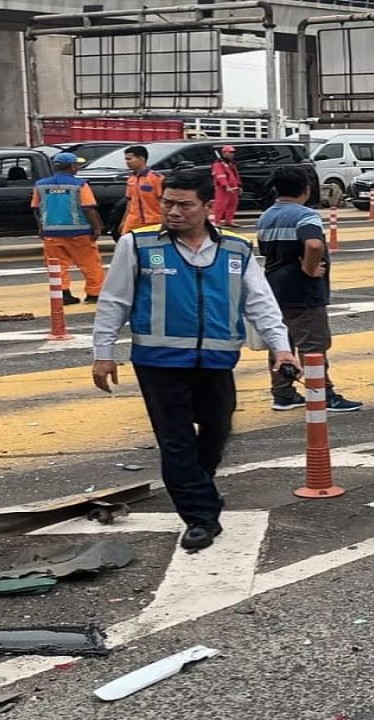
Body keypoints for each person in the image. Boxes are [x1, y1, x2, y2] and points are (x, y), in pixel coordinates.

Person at [91, 170, 298, 551]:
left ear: (207, 206)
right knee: (177, 441)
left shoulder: (235, 249)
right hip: (159, 361)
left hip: (217, 359)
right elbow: (114, 301)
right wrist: (103, 353)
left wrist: (282, 347)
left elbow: (260, 302)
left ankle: (198, 486)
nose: (173, 211)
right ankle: (201, 517)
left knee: (217, 430)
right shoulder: (138, 244)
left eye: (184, 205)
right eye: (167, 203)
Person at [257, 165, 363, 413]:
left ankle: (283, 393)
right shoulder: (305, 215)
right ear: (306, 190)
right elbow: (314, 244)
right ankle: (322, 393)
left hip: (274, 287)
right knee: (313, 344)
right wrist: (309, 267)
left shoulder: (266, 216)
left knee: (281, 342)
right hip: (303, 290)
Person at [31, 152, 105, 306]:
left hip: (52, 232)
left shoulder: (40, 185)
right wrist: (97, 227)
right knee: (90, 264)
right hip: (80, 232)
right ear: (72, 166)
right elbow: (88, 208)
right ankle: (94, 294)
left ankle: (63, 294)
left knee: (57, 266)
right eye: (76, 165)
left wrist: (41, 228)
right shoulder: (80, 185)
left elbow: (36, 209)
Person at [120, 145, 165, 236]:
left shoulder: (156, 178)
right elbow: (130, 202)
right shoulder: (131, 179)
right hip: (133, 222)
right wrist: (124, 221)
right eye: (126, 159)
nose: (127, 162)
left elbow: (163, 202)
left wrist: (165, 221)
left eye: (129, 159)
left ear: (141, 159)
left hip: (153, 222)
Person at [212, 145, 242, 228]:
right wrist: (226, 186)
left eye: (233, 152)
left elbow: (235, 175)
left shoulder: (231, 164)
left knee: (232, 204)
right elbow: (220, 176)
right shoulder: (218, 164)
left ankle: (229, 221)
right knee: (220, 205)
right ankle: (217, 221)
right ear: (224, 153)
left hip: (233, 188)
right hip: (223, 189)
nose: (232, 154)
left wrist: (239, 185)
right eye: (230, 152)